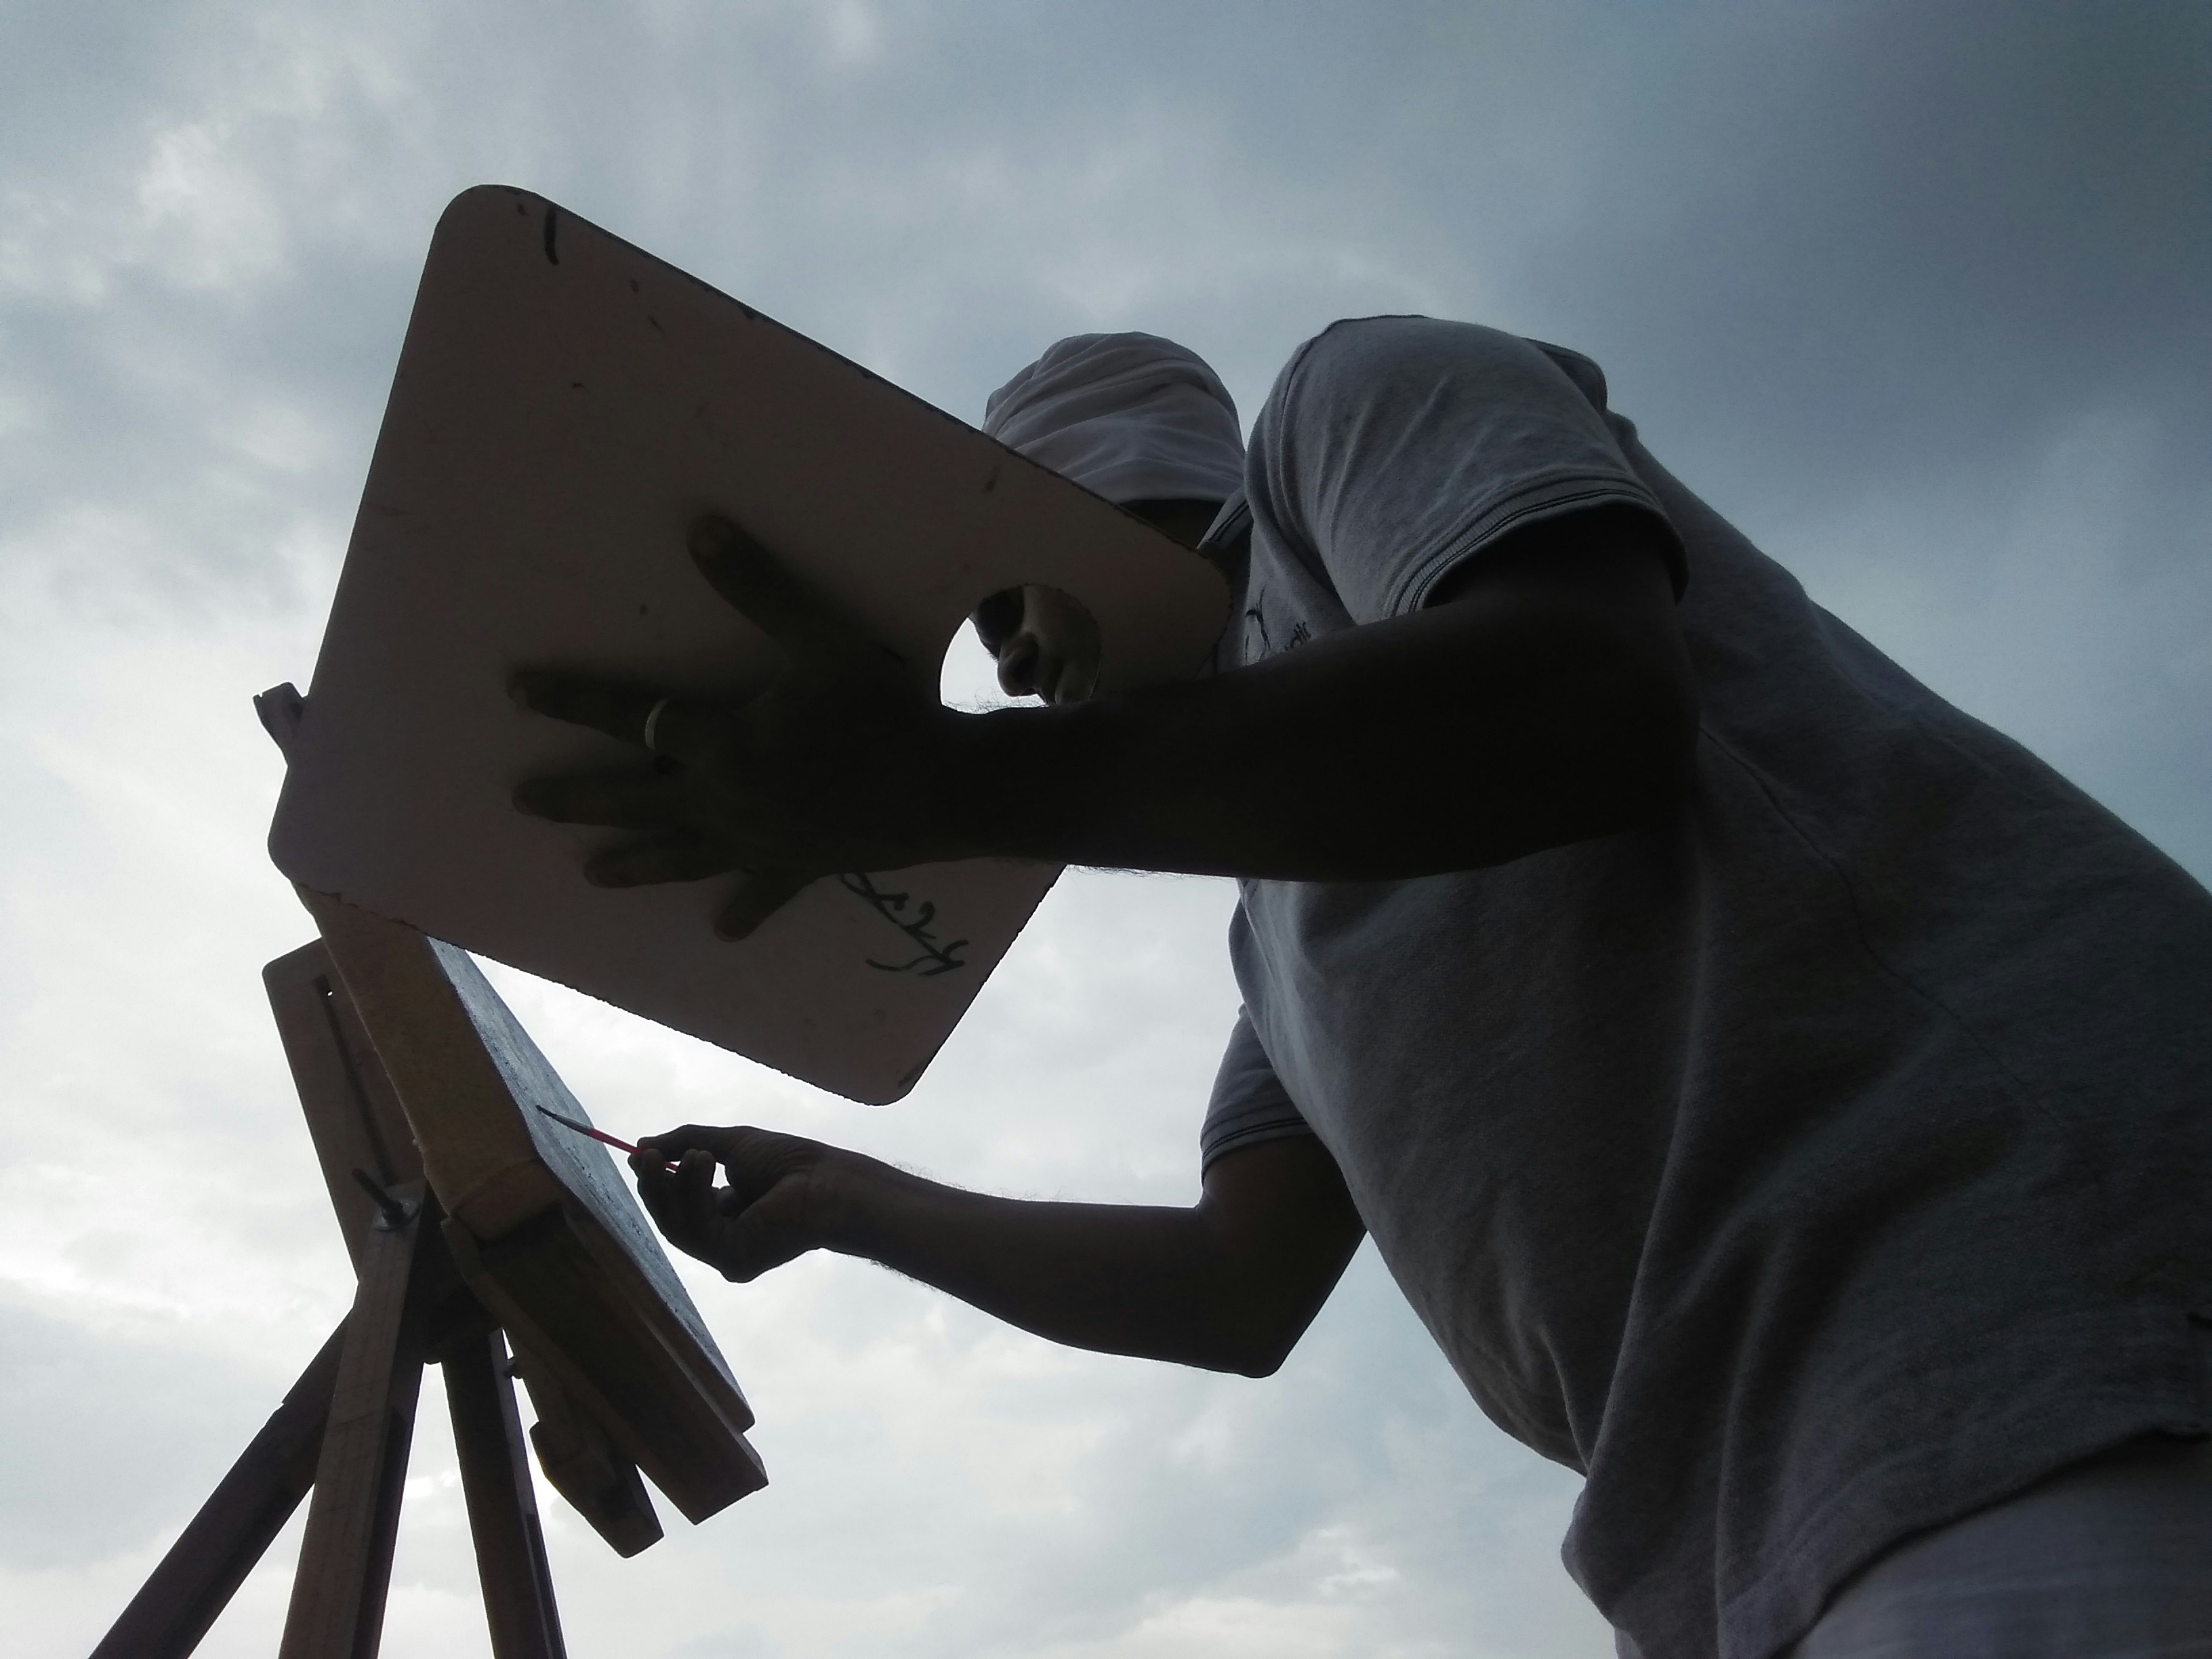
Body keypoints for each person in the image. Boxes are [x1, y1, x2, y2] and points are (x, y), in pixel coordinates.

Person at [508, 322, 2212, 1658]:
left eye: (1007, 584)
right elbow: (1238, 1289)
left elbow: (1585, 699)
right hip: (1751, 1522)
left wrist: (944, 783)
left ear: (1114, 495)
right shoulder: (1278, 920)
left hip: (2035, 1336)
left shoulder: (1349, 413)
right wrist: (851, 1202)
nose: (1007, 659)